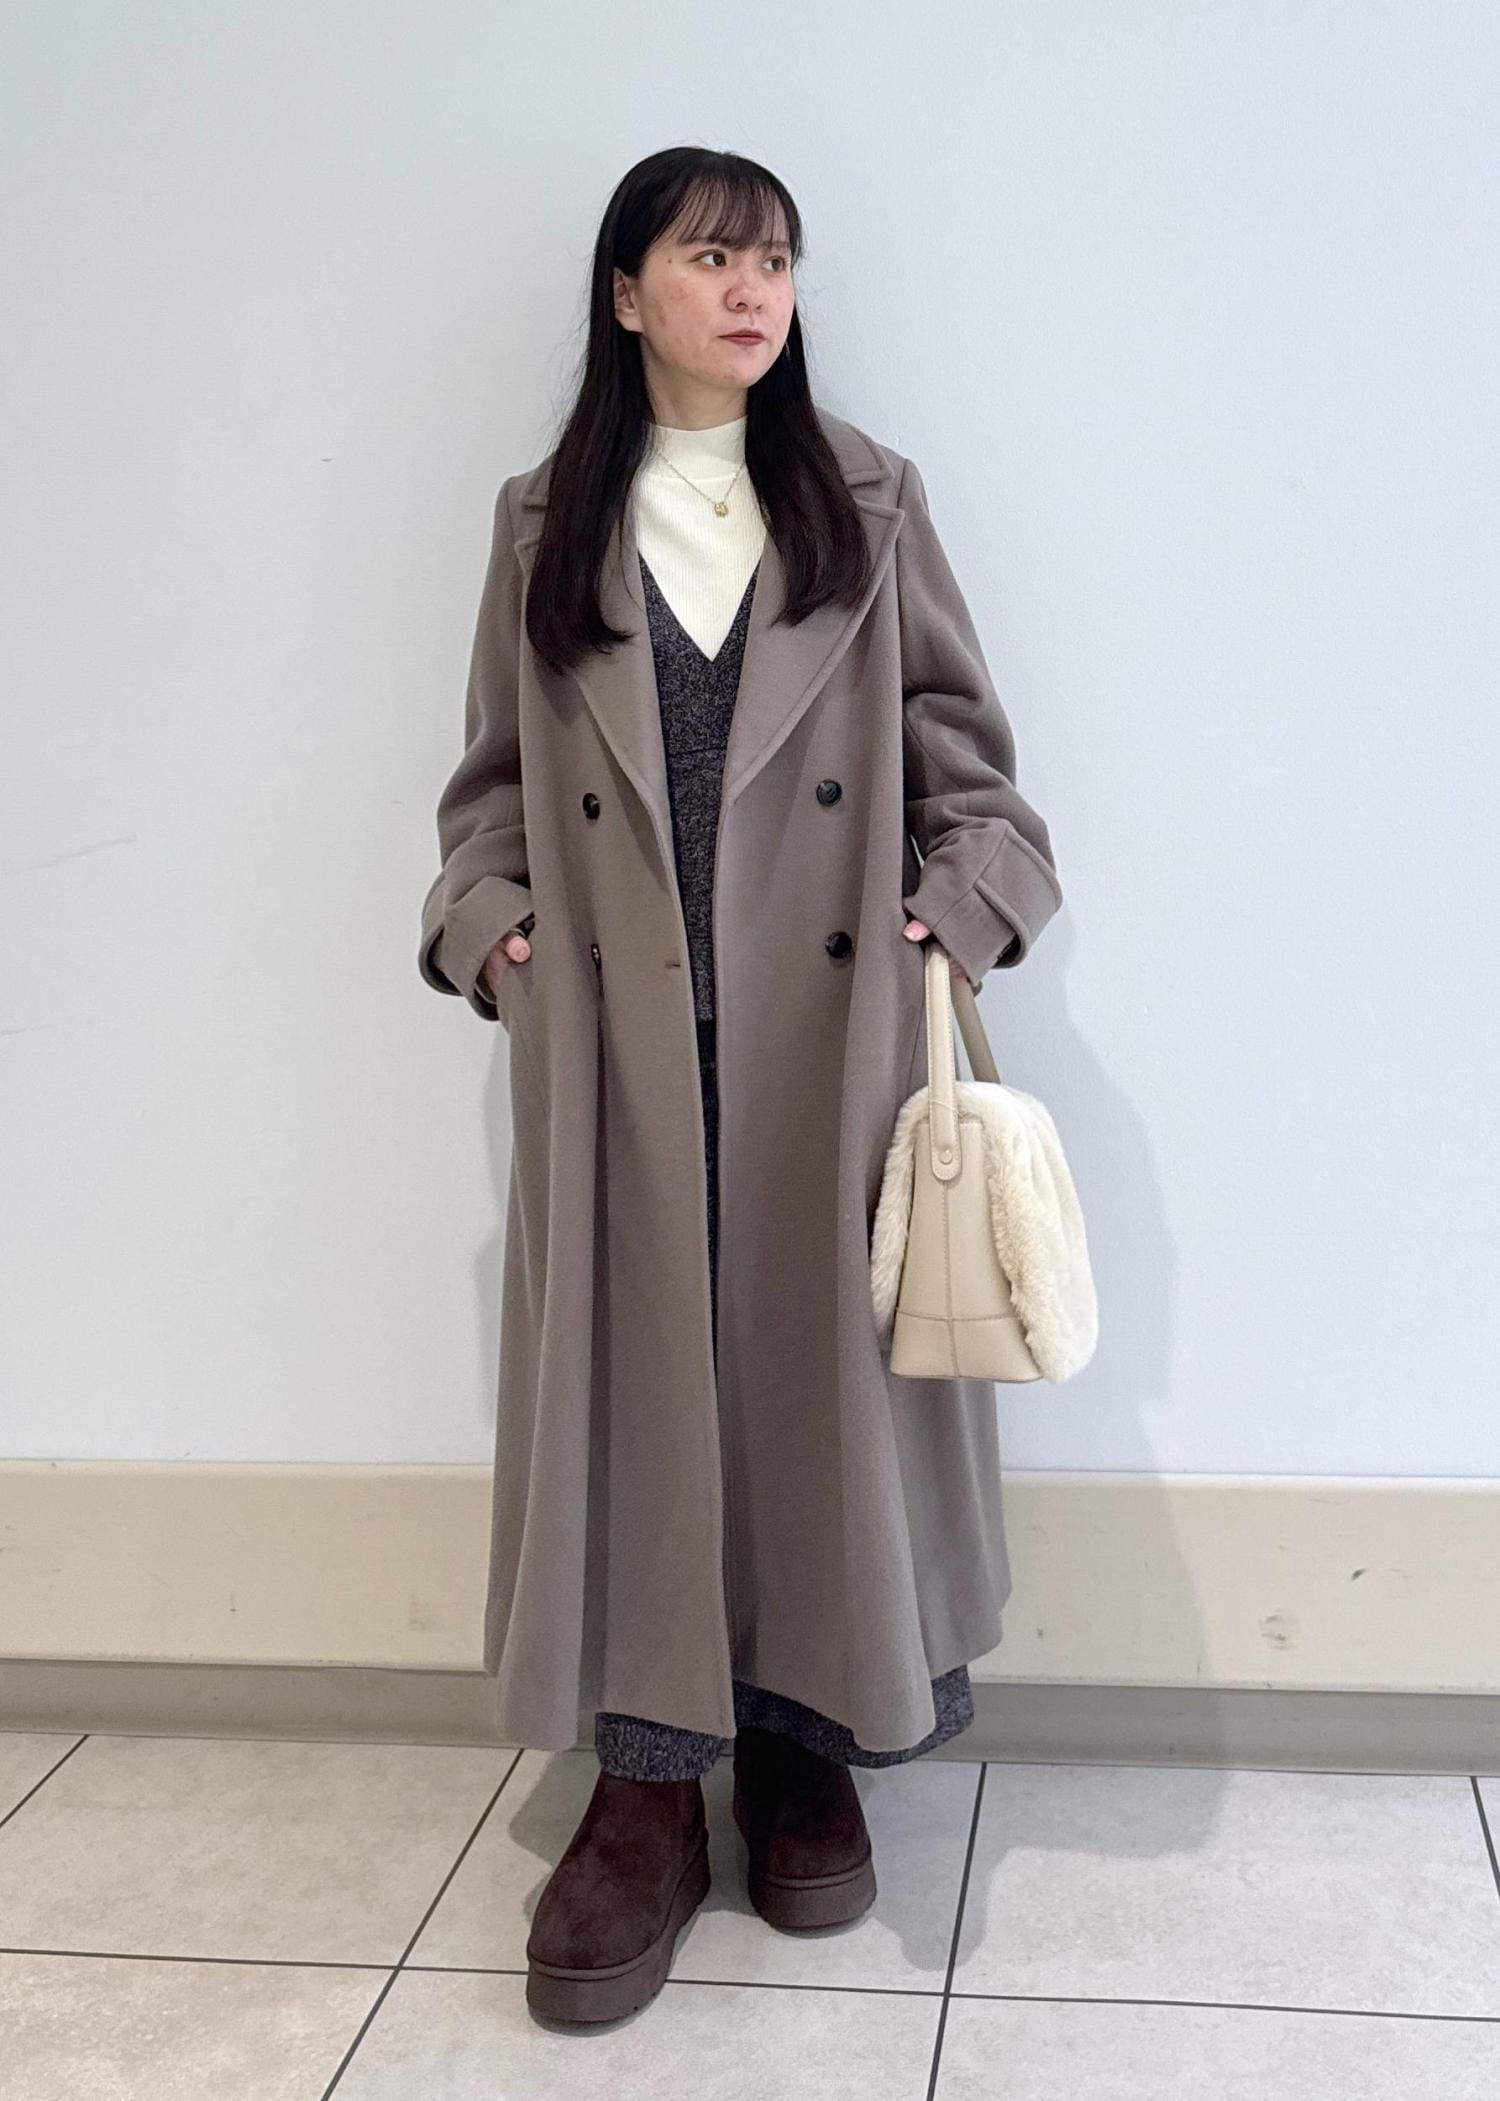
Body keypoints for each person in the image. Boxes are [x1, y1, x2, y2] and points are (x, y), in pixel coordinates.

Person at [418, 145, 1063, 2025]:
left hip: (829, 1046)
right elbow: (487, 799)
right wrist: (497, 940)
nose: (751, 288)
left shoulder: (866, 502)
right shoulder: (546, 526)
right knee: (633, 1395)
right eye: (709, 257)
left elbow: (979, 780)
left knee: (811, 1387)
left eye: (773, 258)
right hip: (616, 1043)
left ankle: (803, 1734)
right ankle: (642, 1778)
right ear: (628, 294)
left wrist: (952, 918)